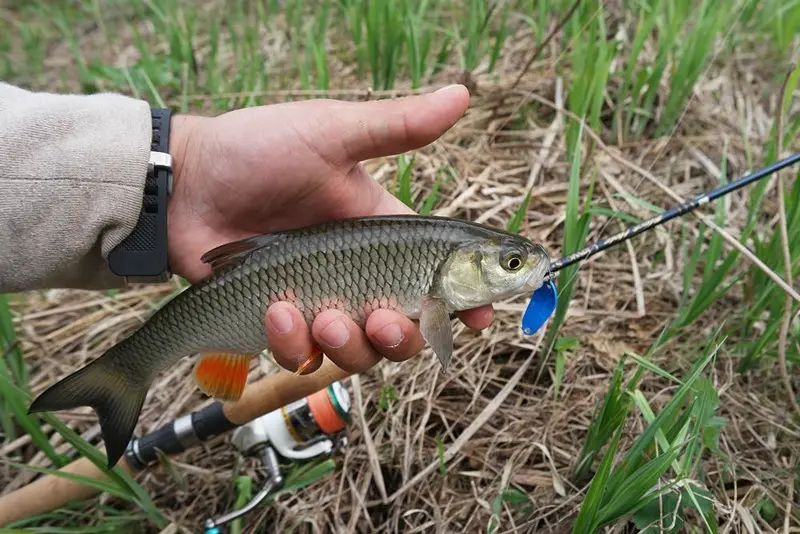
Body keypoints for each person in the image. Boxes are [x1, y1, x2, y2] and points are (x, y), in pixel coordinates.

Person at [0, 81, 494, 376]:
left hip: (237, 280)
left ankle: (134, 368)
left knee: (316, 332)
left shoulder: (434, 273)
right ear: (456, 266)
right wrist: (178, 179)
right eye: (508, 264)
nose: (514, 272)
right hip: (237, 285)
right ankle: (127, 371)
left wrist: (177, 179)